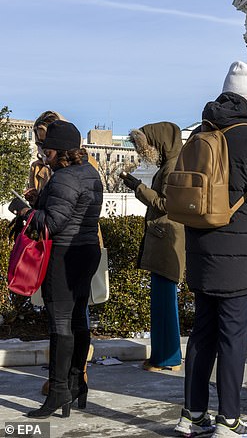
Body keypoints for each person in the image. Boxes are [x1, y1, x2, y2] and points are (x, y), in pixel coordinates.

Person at [174, 61, 247, 438]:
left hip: (201, 249)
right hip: (242, 255)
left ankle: (192, 414)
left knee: (202, 335)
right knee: (233, 339)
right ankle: (229, 419)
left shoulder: (201, 133)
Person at [18, 120, 103, 418]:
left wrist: (26, 211)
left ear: (59, 152)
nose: (43, 156)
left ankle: (57, 392)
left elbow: (52, 224)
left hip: (65, 256)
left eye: (47, 151)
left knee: (61, 324)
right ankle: (76, 382)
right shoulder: (91, 172)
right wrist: (41, 200)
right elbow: (72, 212)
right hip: (87, 252)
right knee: (79, 319)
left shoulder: (63, 178)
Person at [123, 122, 185, 372]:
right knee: (161, 301)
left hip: (166, 237)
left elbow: (167, 203)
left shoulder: (172, 167)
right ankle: (163, 356)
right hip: (165, 237)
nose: (146, 150)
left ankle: (169, 358)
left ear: (160, 142)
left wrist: (138, 187)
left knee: (164, 302)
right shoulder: (172, 163)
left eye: (148, 144)